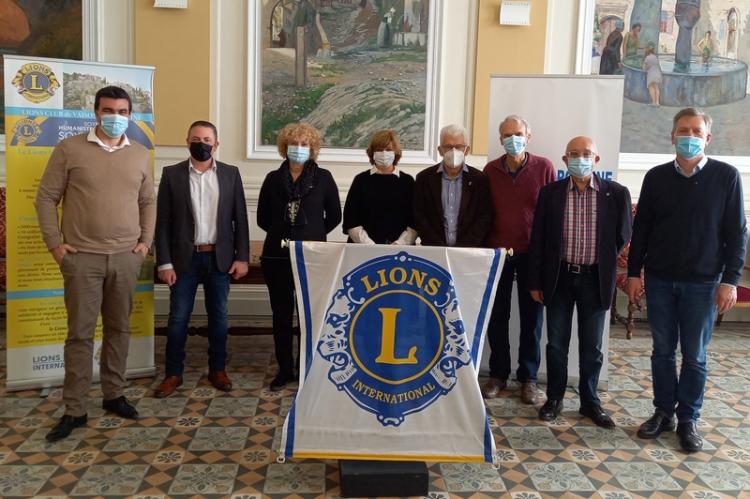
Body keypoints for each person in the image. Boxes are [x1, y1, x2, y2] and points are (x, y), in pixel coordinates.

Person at [35, 86, 156, 441]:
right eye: (108, 110)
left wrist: (145, 242)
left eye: (121, 111)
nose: (115, 117)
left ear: (130, 115)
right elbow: (45, 198)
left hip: (126, 257)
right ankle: (75, 409)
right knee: (80, 335)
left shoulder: (140, 154)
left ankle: (113, 394)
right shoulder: (69, 149)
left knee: (119, 329)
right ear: (95, 111)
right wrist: (55, 245)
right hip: (82, 258)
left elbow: (148, 200)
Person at [627, 108, 747, 452]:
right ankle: (663, 412)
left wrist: (730, 280)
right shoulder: (656, 177)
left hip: (705, 283)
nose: (690, 136)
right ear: (672, 136)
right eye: (683, 130)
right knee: (662, 352)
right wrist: (634, 273)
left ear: (708, 137)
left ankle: (688, 419)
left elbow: (736, 233)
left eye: (697, 131)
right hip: (662, 280)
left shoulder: (727, 176)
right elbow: (643, 229)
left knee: (695, 355)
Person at [528, 136, 632, 428]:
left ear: (597, 160)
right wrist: (536, 281)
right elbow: (539, 241)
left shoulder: (617, 193)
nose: (580, 158)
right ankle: (555, 399)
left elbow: (623, 236)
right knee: (556, 345)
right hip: (559, 278)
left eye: (586, 153)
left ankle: (590, 402)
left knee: (592, 347)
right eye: (573, 154)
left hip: (595, 279)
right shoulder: (550, 193)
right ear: (564, 160)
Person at [153, 121, 250, 398]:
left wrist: (242, 257)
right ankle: (173, 374)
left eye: (207, 139)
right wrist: (164, 262)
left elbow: (240, 219)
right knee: (178, 318)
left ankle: (217, 370)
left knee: (219, 317)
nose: (202, 143)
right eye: (196, 138)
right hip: (184, 261)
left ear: (216, 144)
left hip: (219, 260)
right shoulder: (172, 174)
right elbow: (163, 223)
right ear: (187, 141)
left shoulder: (231, 174)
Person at [258, 123, 341, 391]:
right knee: (281, 315)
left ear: (313, 148)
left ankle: (306, 367)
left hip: (313, 258)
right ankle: (284, 369)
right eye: (294, 143)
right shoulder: (272, 178)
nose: (299, 148)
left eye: (305, 144)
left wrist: (312, 234)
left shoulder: (324, 178)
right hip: (277, 257)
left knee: (309, 314)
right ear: (284, 147)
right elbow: (262, 218)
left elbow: (335, 216)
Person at [482, 116, 556, 403]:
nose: (513, 139)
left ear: (529, 136)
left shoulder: (545, 167)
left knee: (532, 319)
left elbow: (552, 212)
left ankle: (529, 378)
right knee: (497, 317)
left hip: (532, 255)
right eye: (507, 135)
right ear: (500, 139)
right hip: (498, 253)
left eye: (518, 133)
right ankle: (498, 374)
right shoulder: (490, 170)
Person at [413, 124, 492, 247]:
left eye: (459, 147)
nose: (453, 151)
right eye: (448, 147)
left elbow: (485, 216)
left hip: (469, 251)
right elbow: (419, 216)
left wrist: (463, 247)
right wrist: (438, 247)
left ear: (466, 150)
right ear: (440, 150)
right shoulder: (424, 178)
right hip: (434, 250)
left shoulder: (480, 179)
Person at [343, 130, 416, 245]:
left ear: (396, 152)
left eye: (388, 150)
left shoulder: (407, 182)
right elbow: (351, 219)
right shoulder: (361, 180)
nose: (384, 153)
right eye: (379, 150)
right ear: (372, 153)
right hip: (362, 248)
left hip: (400, 251)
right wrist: (369, 245)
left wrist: (399, 244)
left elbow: (415, 220)